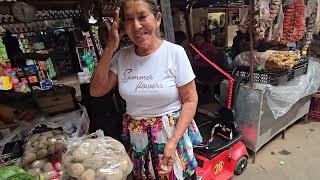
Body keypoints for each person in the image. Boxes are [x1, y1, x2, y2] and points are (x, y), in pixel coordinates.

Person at [90, 0, 202, 179]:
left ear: (157, 19)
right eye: (128, 20)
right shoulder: (121, 57)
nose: (136, 26)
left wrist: (172, 143)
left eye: (142, 17)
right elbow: (96, 90)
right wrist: (111, 46)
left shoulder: (174, 53)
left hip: (171, 136)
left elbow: (190, 100)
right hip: (138, 140)